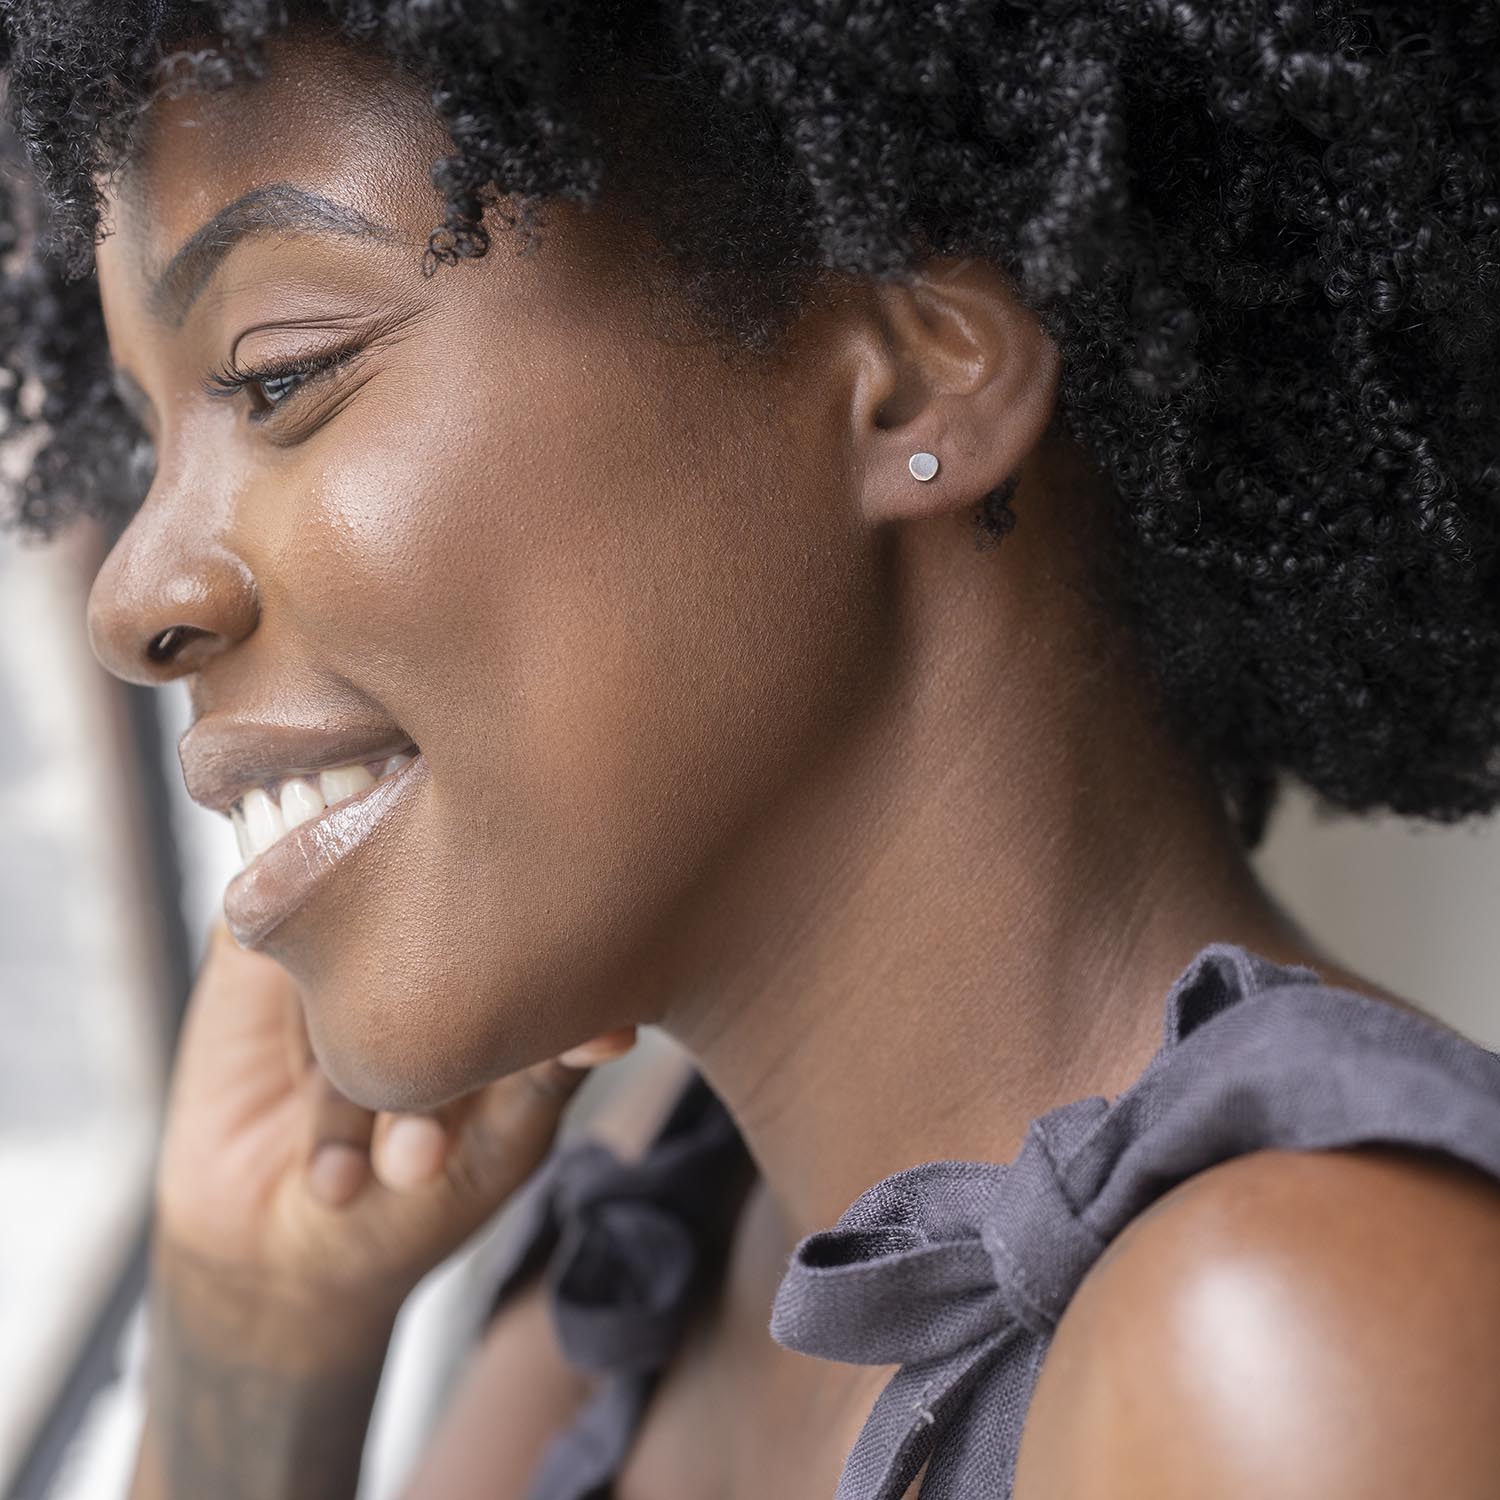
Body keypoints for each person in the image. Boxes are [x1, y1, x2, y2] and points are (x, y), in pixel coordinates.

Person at [4, 3, 1500, 1496]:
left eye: (279, 372)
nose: (136, 598)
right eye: (145, 442)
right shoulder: (650, 1279)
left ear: (914, 374)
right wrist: (250, 1352)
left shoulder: (1282, 1352)